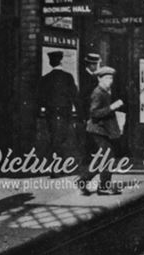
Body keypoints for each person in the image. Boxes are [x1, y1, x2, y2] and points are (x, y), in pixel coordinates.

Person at [78, 66, 124, 195]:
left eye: (111, 78)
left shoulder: (105, 91)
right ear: (100, 79)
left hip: (103, 129)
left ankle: (83, 180)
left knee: (103, 158)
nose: (110, 81)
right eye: (107, 78)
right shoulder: (98, 93)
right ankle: (103, 187)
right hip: (98, 129)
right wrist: (112, 107)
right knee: (108, 158)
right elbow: (94, 113)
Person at [38, 50, 78, 171]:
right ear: (60, 61)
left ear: (50, 62)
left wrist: (42, 110)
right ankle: (59, 166)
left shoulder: (45, 78)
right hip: (65, 112)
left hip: (51, 112)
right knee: (62, 138)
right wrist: (80, 113)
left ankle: (55, 166)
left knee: (53, 137)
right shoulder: (68, 77)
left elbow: (40, 97)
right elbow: (75, 95)